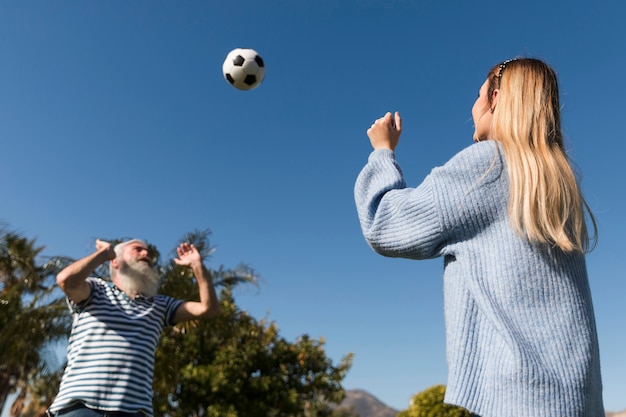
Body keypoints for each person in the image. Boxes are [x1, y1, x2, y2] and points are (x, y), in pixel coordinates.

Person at [354, 58, 603, 417]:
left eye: (478, 95)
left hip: (516, 399)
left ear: (496, 98)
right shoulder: (558, 185)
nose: (472, 107)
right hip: (577, 401)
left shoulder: (488, 167)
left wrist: (382, 152)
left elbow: (385, 224)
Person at [47, 238, 220, 417]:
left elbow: (209, 308)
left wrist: (197, 265)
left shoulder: (161, 305)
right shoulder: (96, 290)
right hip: (80, 409)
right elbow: (66, 281)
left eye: (147, 253)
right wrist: (103, 254)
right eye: (138, 249)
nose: (146, 254)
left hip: (133, 412)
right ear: (115, 260)